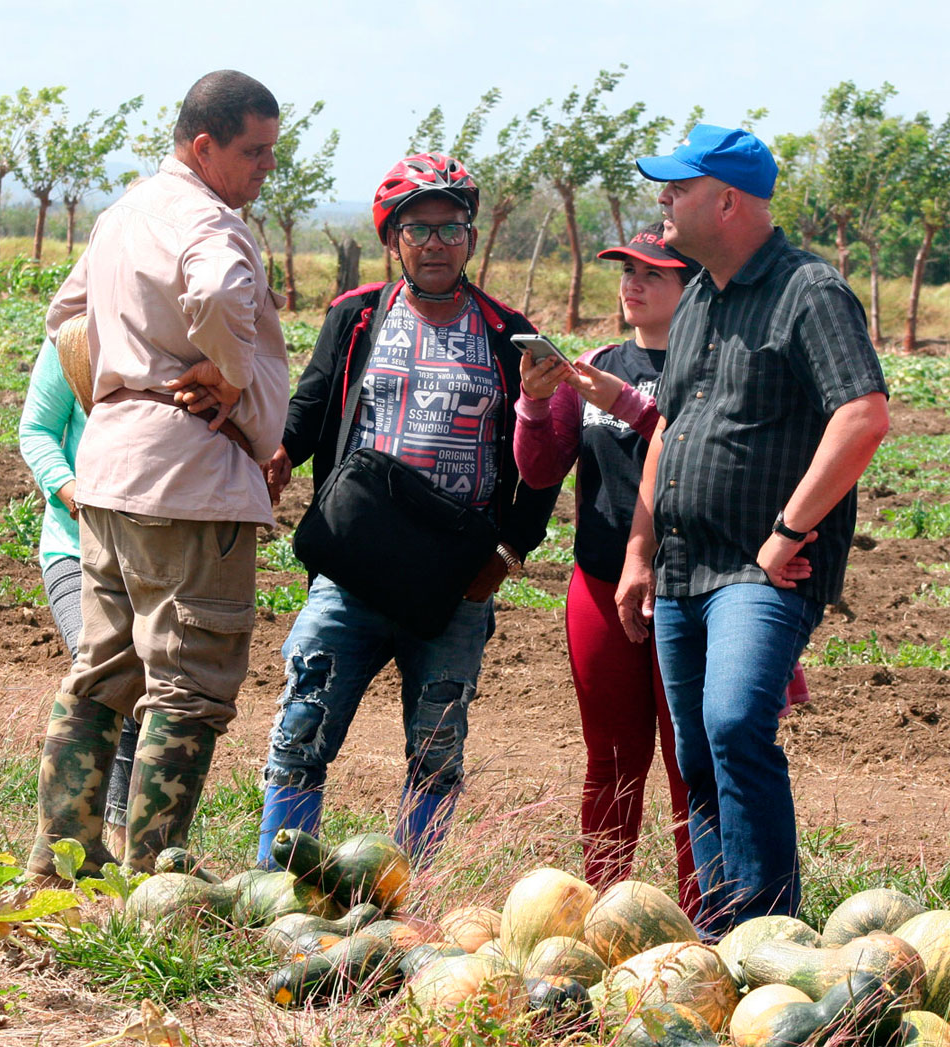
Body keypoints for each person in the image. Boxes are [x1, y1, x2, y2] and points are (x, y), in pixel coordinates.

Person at [615, 125, 889, 935]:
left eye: (678, 187)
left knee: (735, 722)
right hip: (681, 566)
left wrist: (787, 531)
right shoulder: (699, 292)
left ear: (726, 200)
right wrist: (638, 550)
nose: (662, 199)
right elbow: (669, 422)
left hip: (758, 570)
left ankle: (774, 934)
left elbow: (864, 415)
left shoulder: (810, 291)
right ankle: (723, 933)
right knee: (698, 753)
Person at [255, 153, 559, 866]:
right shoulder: (357, 316)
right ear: (393, 238)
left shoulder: (508, 334)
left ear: (471, 239)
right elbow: (311, 401)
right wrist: (281, 455)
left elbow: (543, 456)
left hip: (453, 580)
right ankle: (273, 879)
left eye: (451, 229)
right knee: (303, 723)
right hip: (352, 568)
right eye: (418, 230)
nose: (435, 245)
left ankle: (407, 893)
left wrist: (510, 551)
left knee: (437, 746)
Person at [26, 70, 290, 877]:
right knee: (189, 680)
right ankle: (156, 869)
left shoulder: (121, 215)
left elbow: (65, 317)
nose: (263, 171)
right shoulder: (209, 223)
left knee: (103, 669)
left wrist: (123, 387)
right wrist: (231, 371)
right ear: (203, 146)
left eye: (272, 154)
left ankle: (62, 857)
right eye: (253, 152)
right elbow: (213, 289)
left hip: (108, 474)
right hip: (187, 481)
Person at [513, 224, 702, 916]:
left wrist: (625, 400)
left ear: (692, 285)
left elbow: (694, 448)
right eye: (627, 270)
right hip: (597, 583)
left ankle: (707, 918)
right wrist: (535, 401)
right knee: (613, 760)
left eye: (653, 273)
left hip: (691, 588)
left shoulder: (712, 367)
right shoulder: (590, 364)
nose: (633, 284)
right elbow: (538, 470)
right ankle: (604, 909)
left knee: (693, 764)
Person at [18, 337, 140, 859]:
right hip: (76, 544)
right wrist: (70, 492)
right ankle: (65, 841)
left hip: (148, 547)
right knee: (102, 669)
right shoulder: (72, 336)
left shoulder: (169, 330)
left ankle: (119, 833)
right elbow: (37, 431)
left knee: (146, 681)